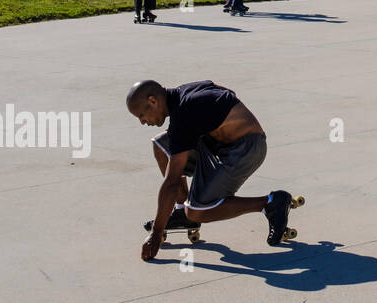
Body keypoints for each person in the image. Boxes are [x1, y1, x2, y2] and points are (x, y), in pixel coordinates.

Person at [127, 79, 297, 259]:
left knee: (196, 212)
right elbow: (227, 91)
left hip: (247, 149)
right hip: (221, 145)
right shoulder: (184, 93)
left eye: (141, 115)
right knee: (162, 145)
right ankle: (181, 212)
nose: (143, 122)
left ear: (153, 101)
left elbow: (171, 181)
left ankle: (269, 203)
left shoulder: (184, 113)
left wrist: (156, 233)